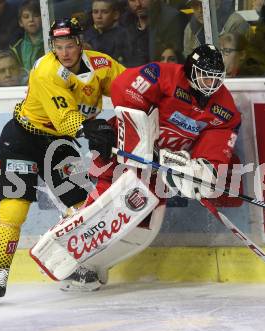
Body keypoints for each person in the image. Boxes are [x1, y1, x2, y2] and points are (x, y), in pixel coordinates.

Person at [30, 44, 241, 291]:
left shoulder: (225, 109)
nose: (209, 84)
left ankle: (95, 265)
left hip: (158, 168)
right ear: (190, 70)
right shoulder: (163, 75)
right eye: (204, 76)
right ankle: (70, 246)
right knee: (102, 203)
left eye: (215, 78)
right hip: (120, 150)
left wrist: (200, 172)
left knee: (143, 224)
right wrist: (141, 139)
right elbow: (124, 88)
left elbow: (216, 148)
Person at [0, 17, 125, 299]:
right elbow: (64, 120)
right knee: (14, 209)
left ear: (80, 43)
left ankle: (78, 262)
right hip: (22, 139)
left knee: (83, 206)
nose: (64, 52)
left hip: (59, 144)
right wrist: (89, 127)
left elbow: (129, 87)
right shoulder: (47, 71)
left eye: (70, 45)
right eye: (58, 46)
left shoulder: (102, 65)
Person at [10, 0, 44, 82]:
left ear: (43, 18)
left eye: (35, 15)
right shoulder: (16, 48)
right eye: (26, 16)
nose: (31, 19)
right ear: (20, 23)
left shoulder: (50, 43)